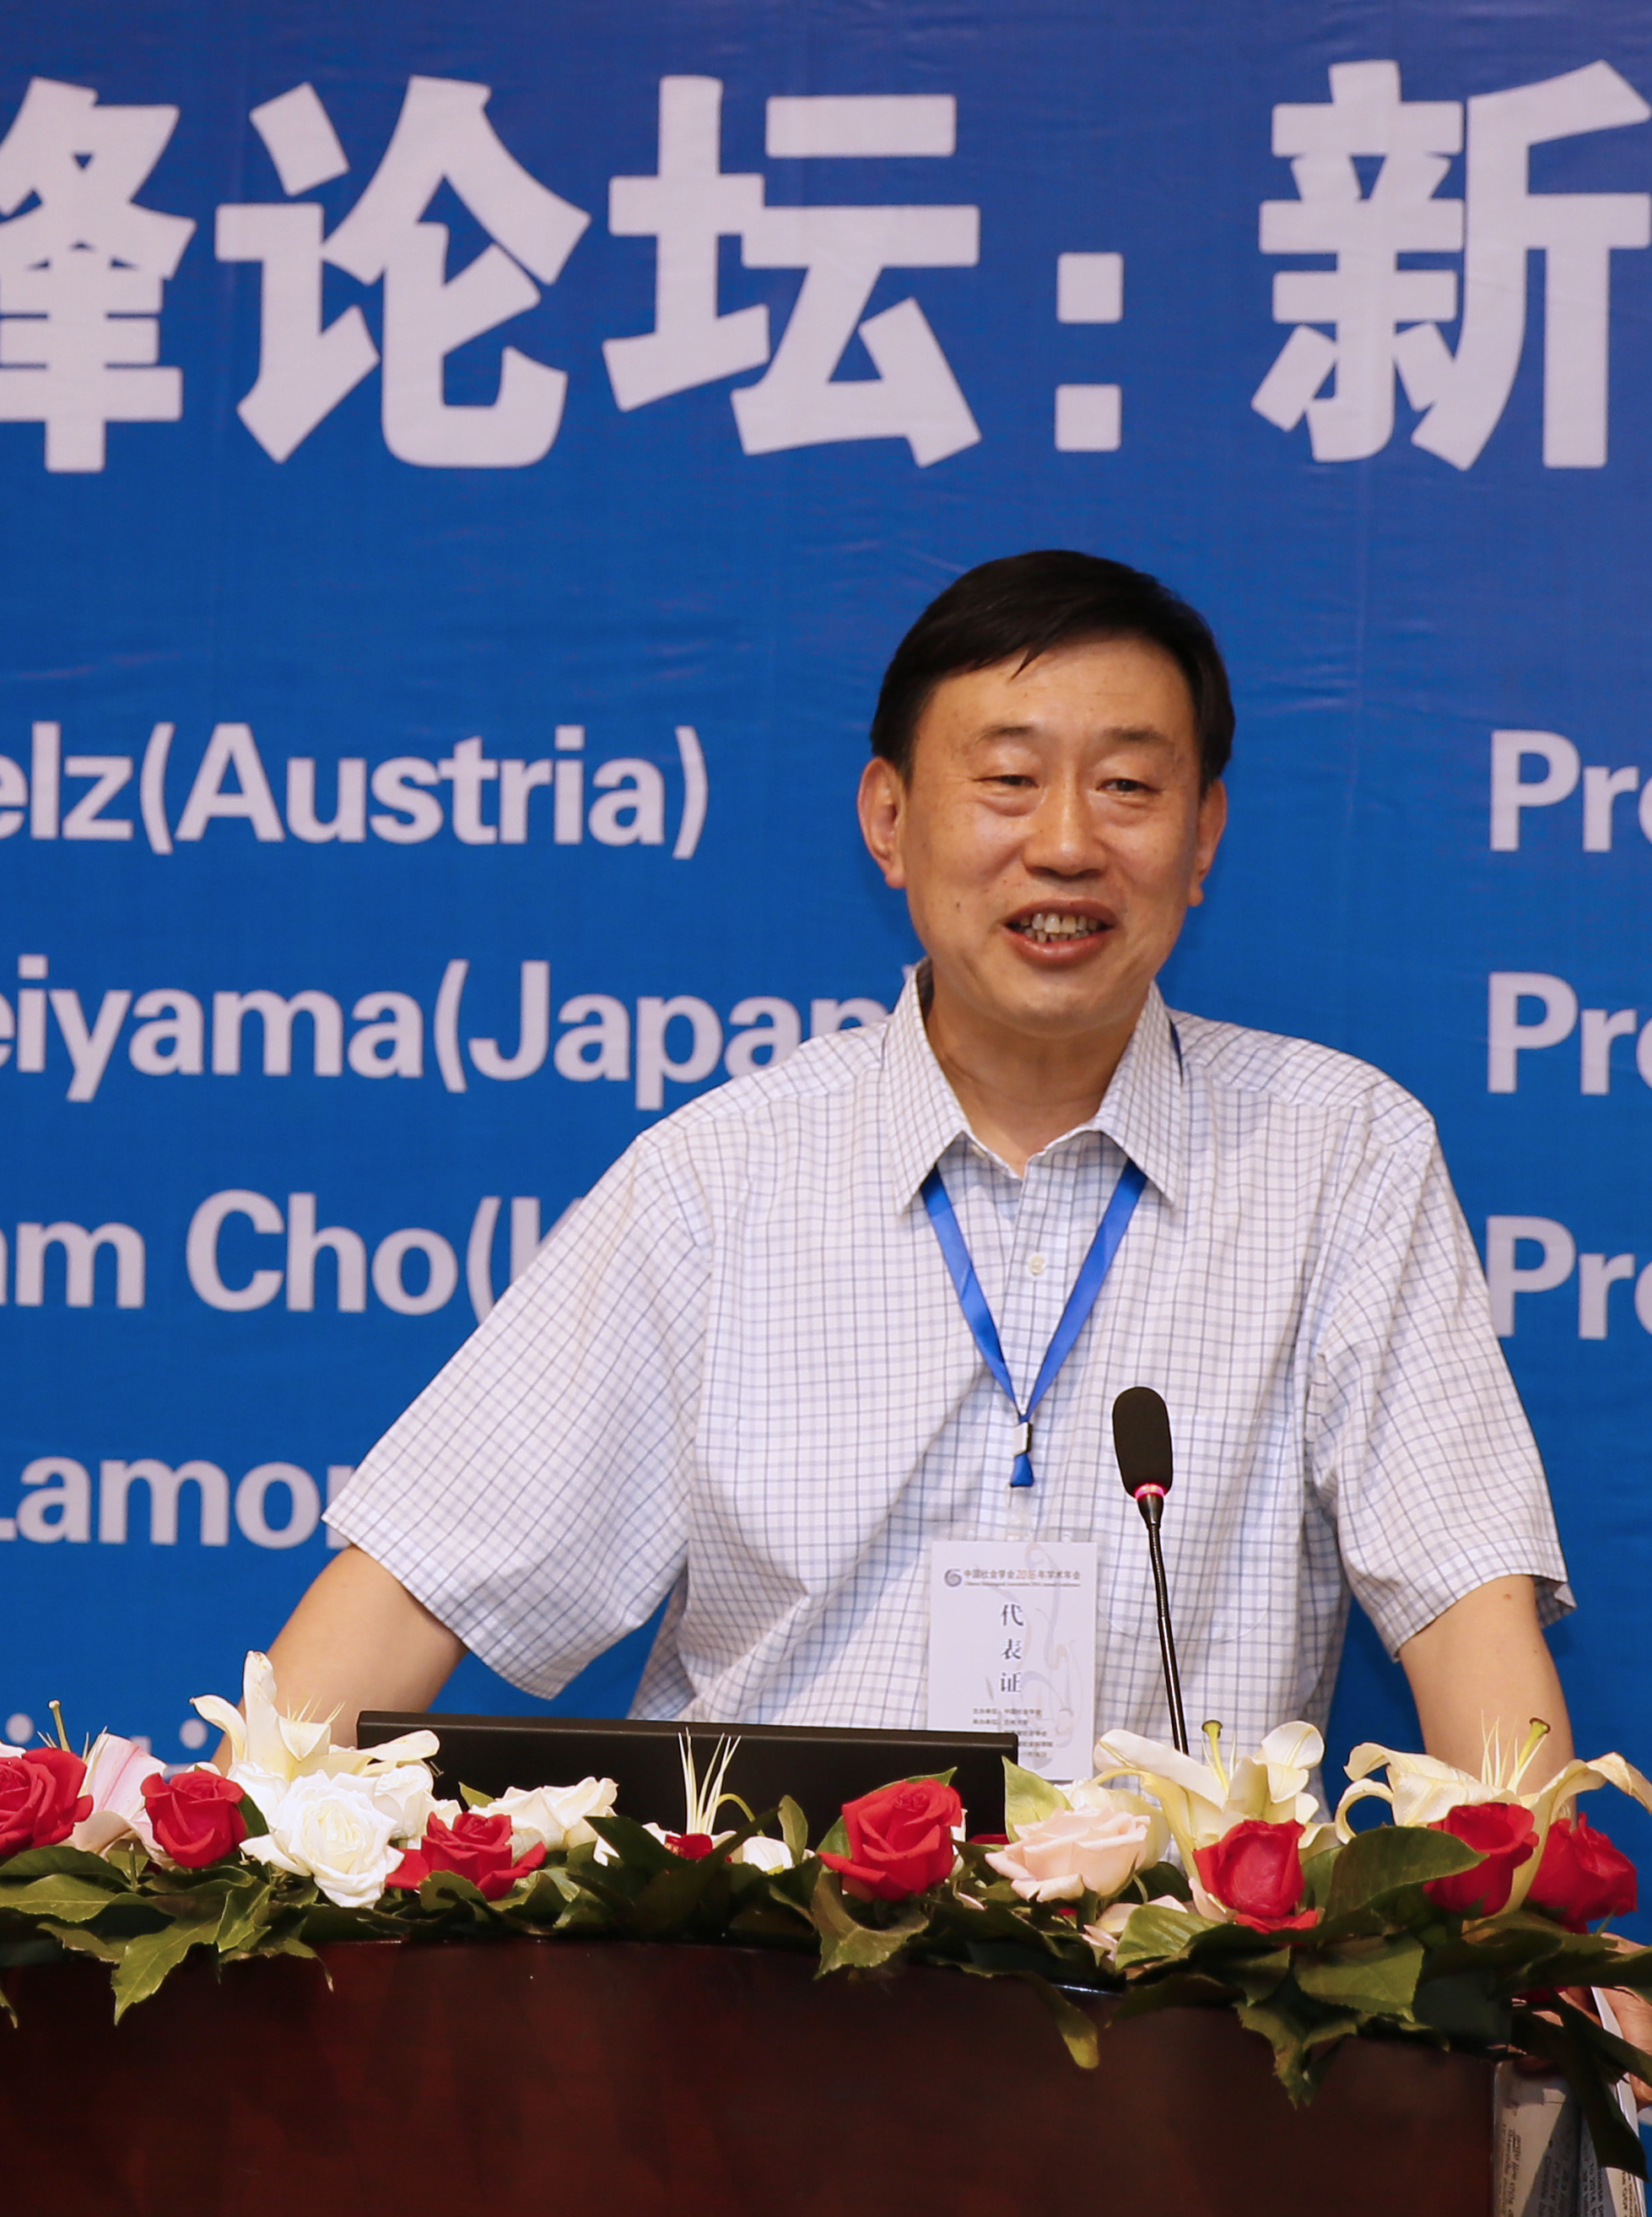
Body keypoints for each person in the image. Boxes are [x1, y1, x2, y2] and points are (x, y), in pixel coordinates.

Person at [281, 549, 1575, 1793]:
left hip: (1165, 1938)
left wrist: (1533, 1905)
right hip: (760, 1935)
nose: (1065, 844)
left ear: (1202, 837)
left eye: (1127, 786)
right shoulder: (719, 1180)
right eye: (1007, 781)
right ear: (888, 821)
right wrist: (218, 1864)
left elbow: (1465, 1605)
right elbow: (413, 1588)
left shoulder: (1339, 1156)